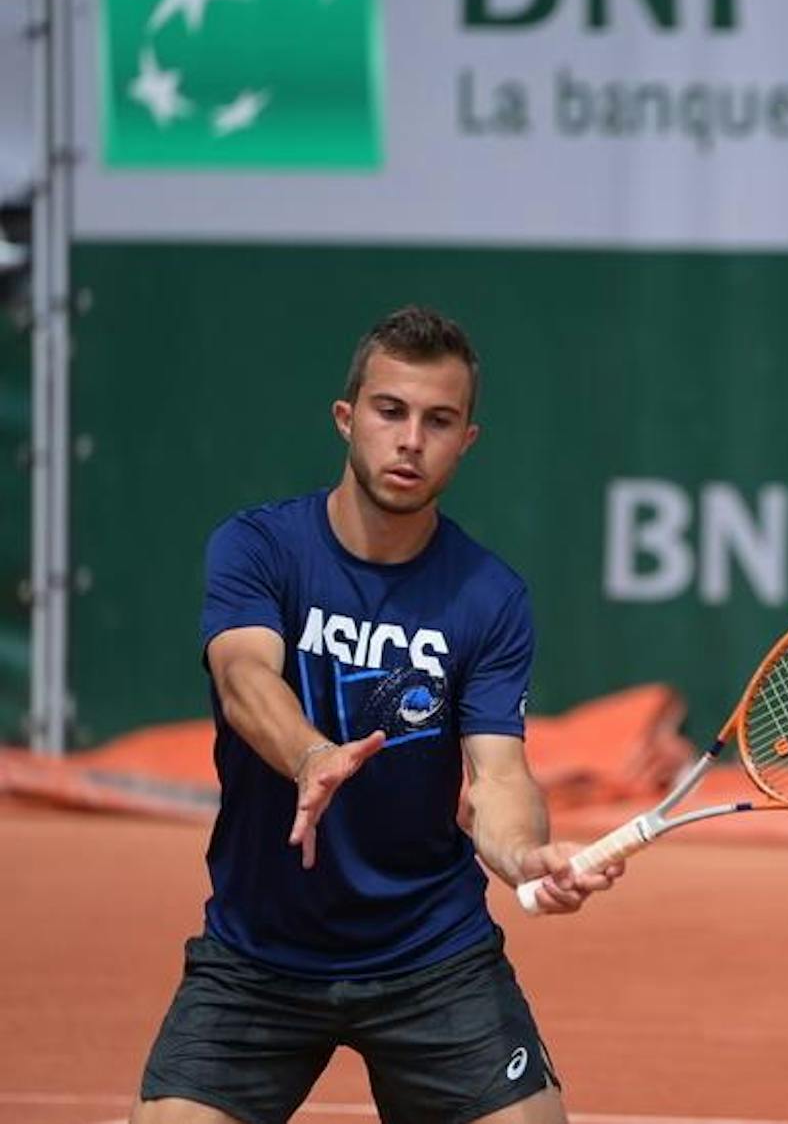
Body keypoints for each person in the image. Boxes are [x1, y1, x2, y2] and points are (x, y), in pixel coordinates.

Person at [132, 305, 621, 1124]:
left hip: (433, 954)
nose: (410, 440)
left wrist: (524, 853)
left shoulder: (489, 596)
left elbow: (498, 771)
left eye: (439, 420)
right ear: (347, 417)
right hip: (258, 952)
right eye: (390, 411)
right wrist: (309, 754)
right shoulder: (259, 548)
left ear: (466, 440)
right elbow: (245, 674)